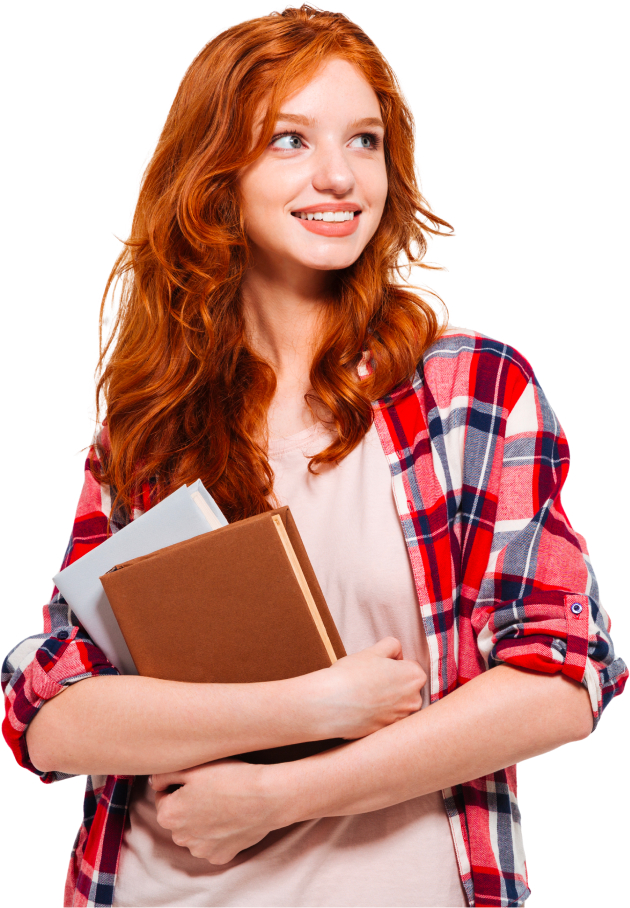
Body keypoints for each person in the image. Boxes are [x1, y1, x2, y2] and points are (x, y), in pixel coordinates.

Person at [2, 5, 626, 908]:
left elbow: (562, 677)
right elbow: (49, 714)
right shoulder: (153, 430)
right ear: (217, 174)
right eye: (290, 139)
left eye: (364, 141)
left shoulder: (467, 392)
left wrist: (275, 795)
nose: (339, 176)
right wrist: (310, 706)